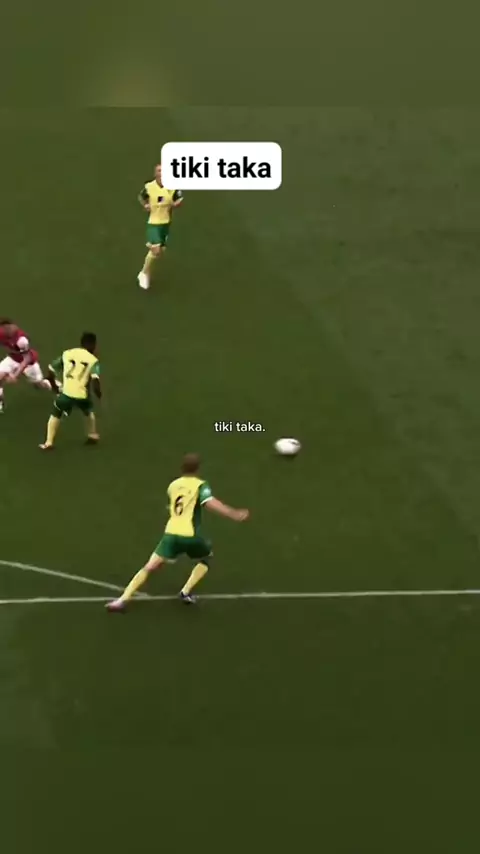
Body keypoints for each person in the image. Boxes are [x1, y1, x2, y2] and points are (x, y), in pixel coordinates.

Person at [106, 452, 249, 610]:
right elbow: (209, 503)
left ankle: (121, 600)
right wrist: (233, 513)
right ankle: (185, 591)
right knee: (206, 558)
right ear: (198, 469)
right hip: (190, 535)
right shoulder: (200, 485)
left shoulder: (173, 485)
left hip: (171, 533)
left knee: (149, 566)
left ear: (182, 468)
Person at [39, 332, 102, 450]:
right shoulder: (93, 360)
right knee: (88, 411)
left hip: (66, 394)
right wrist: (99, 394)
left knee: (56, 413)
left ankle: (48, 443)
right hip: (82, 395)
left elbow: (51, 369)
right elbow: (95, 382)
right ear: (94, 345)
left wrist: (53, 386)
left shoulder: (68, 353)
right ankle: (92, 435)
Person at [137, 164, 183, 290]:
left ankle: (145, 270)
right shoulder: (149, 187)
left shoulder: (172, 187)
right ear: (155, 174)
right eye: (159, 171)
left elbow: (179, 199)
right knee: (156, 250)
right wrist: (145, 205)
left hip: (165, 223)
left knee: (158, 252)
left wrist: (175, 204)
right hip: (153, 223)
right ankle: (144, 273)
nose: (161, 173)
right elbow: (141, 197)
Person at [0, 318, 54, 413]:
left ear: (13, 326)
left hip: (28, 363)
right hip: (13, 358)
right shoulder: (2, 333)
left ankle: (51, 383)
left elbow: (27, 358)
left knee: (39, 385)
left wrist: (15, 375)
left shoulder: (21, 340)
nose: (7, 331)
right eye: (4, 329)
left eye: (9, 328)